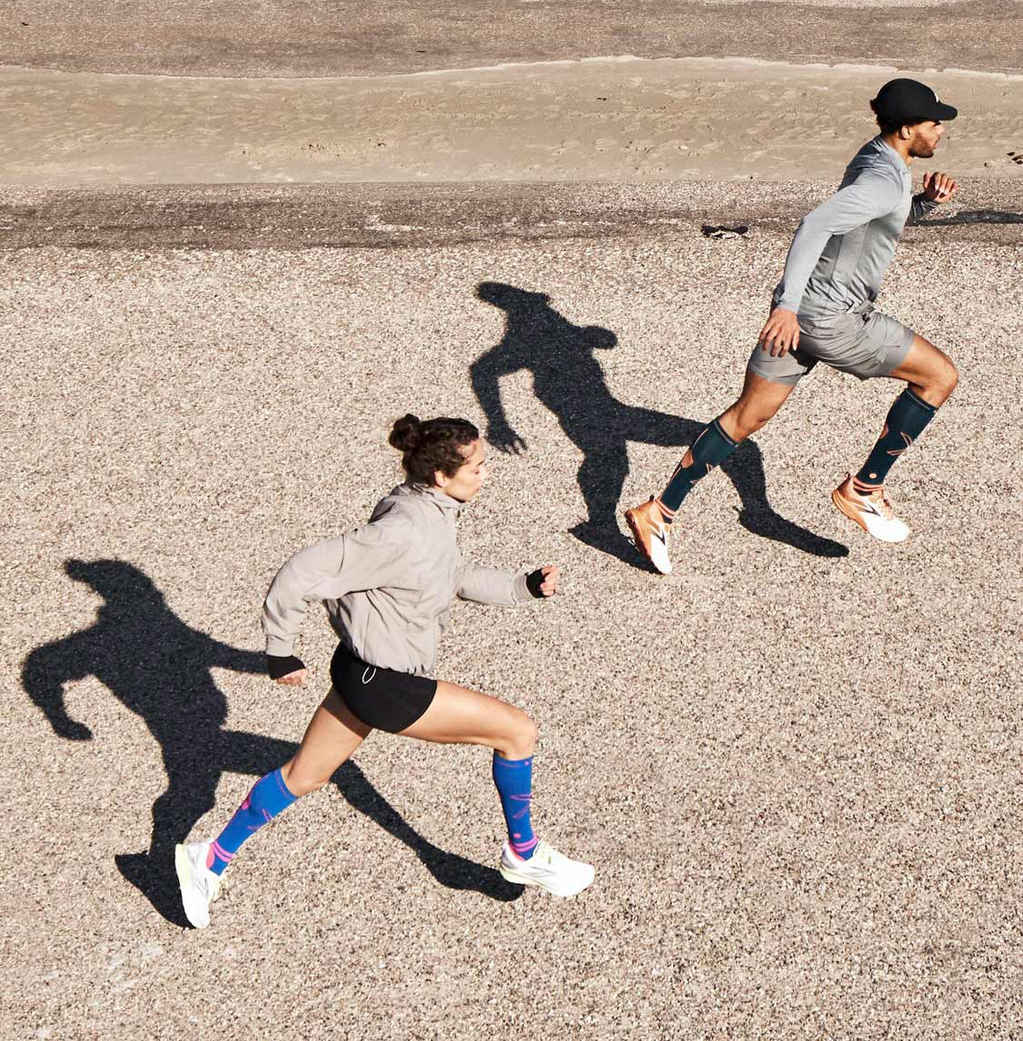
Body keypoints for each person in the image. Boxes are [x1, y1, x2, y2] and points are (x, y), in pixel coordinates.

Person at [175, 414, 594, 928]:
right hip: (386, 685)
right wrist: (279, 650)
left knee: (303, 776)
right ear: (442, 475)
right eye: (478, 467)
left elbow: (449, 573)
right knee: (517, 731)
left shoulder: (424, 508)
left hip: (357, 672)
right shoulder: (401, 529)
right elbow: (305, 569)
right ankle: (523, 853)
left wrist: (520, 586)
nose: (485, 475)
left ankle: (207, 860)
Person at [625, 78, 961, 572]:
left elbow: (870, 221)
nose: (941, 131)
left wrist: (923, 204)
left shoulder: (876, 158)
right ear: (909, 129)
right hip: (830, 317)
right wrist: (785, 304)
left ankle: (658, 511)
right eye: (935, 123)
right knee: (939, 376)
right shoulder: (884, 178)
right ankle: (865, 489)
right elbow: (816, 224)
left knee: (748, 418)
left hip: (801, 313)